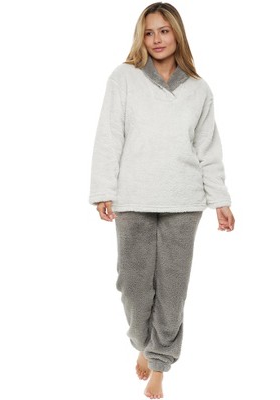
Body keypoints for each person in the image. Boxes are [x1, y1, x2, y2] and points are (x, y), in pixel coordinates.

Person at [89, 2, 235, 398]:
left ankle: (159, 364)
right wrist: (103, 190)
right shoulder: (124, 77)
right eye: (150, 32)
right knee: (133, 285)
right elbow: (109, 134)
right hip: (133, 197)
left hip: (183, 200)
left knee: (171, 290)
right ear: (142, 36)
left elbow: (208, 149)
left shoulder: (199, 89)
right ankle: (144, 342)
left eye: (164, 31)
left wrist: (220, 200)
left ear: (177, 34)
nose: (156, 39)